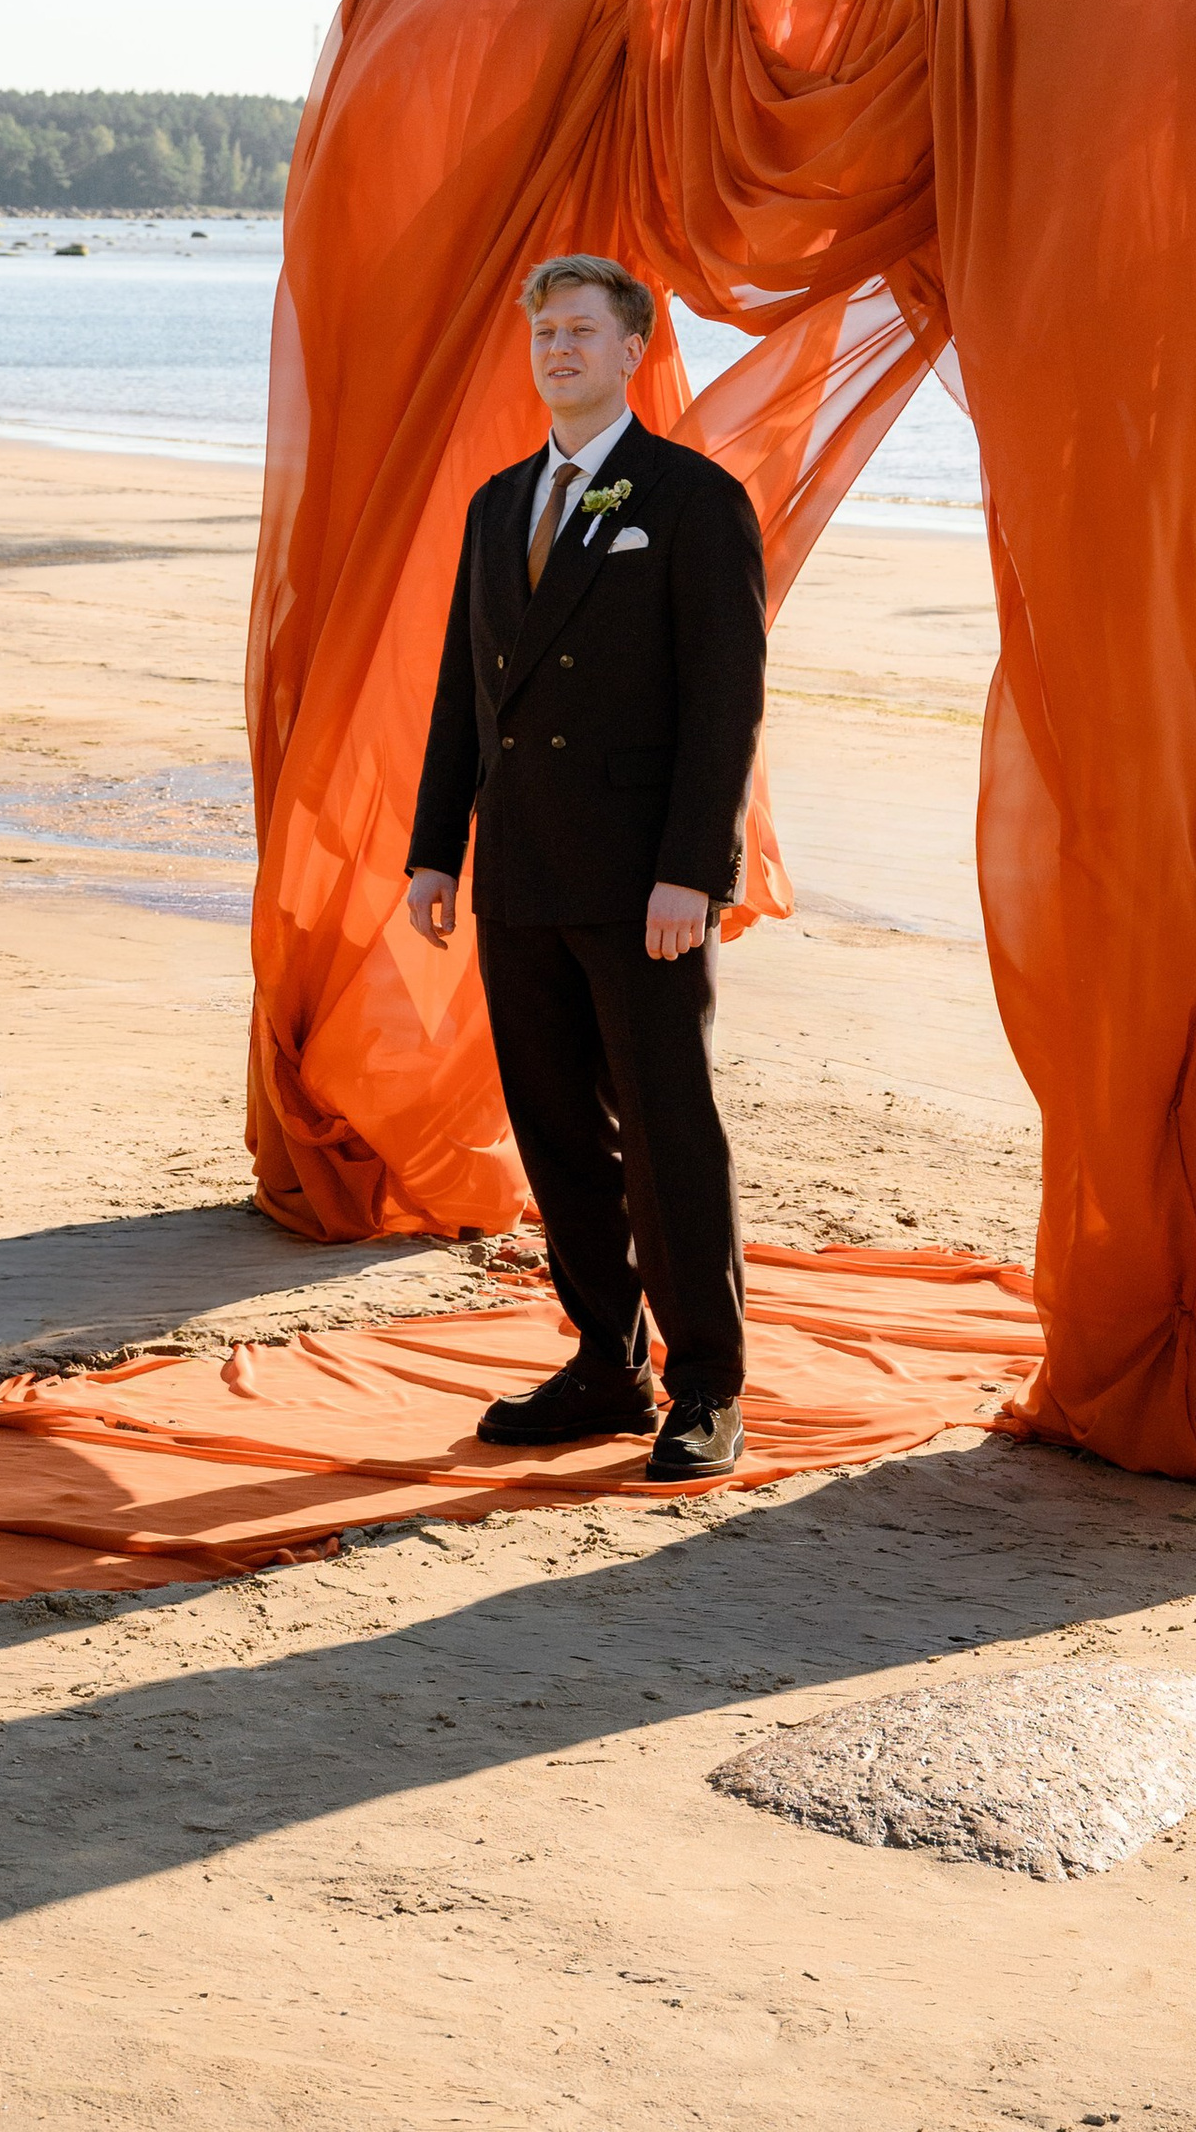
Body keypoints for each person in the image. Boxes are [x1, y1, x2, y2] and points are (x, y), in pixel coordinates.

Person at [405, 252, 766, 1483]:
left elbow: (723, 705)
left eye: (580, 331)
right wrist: (434, 849)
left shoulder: (692, 499)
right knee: (556, 1131)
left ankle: (706, 1385)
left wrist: (693, 872)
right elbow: (466, 690)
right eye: (543, 332)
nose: (557, 349)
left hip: (640, 882)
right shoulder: (498, 502)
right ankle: (608, 1361)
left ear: (631, 350)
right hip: (519, 869)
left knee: (668, 1135)